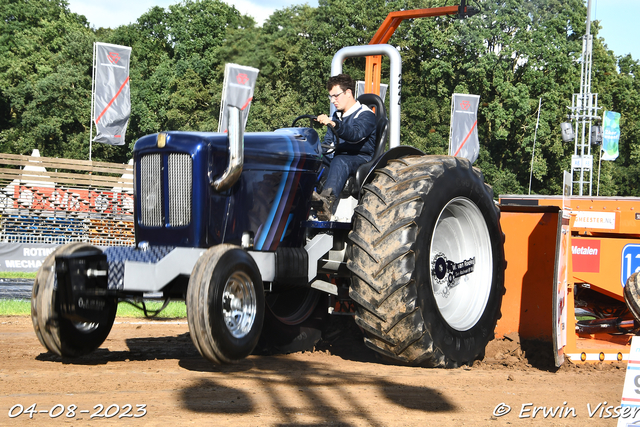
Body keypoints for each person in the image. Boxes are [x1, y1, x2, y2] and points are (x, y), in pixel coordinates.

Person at [314, 74, 376, 220]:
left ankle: (327, 203)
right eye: (331, 96)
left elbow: (355, 135)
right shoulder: (337, 115)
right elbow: (329, 144)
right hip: (339, 157)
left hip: (361, 158)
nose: (332, 100)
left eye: (336, 95)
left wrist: (334, 124)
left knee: (340, 160)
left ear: (348, 93)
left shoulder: (366, 115)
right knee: (314, 161)